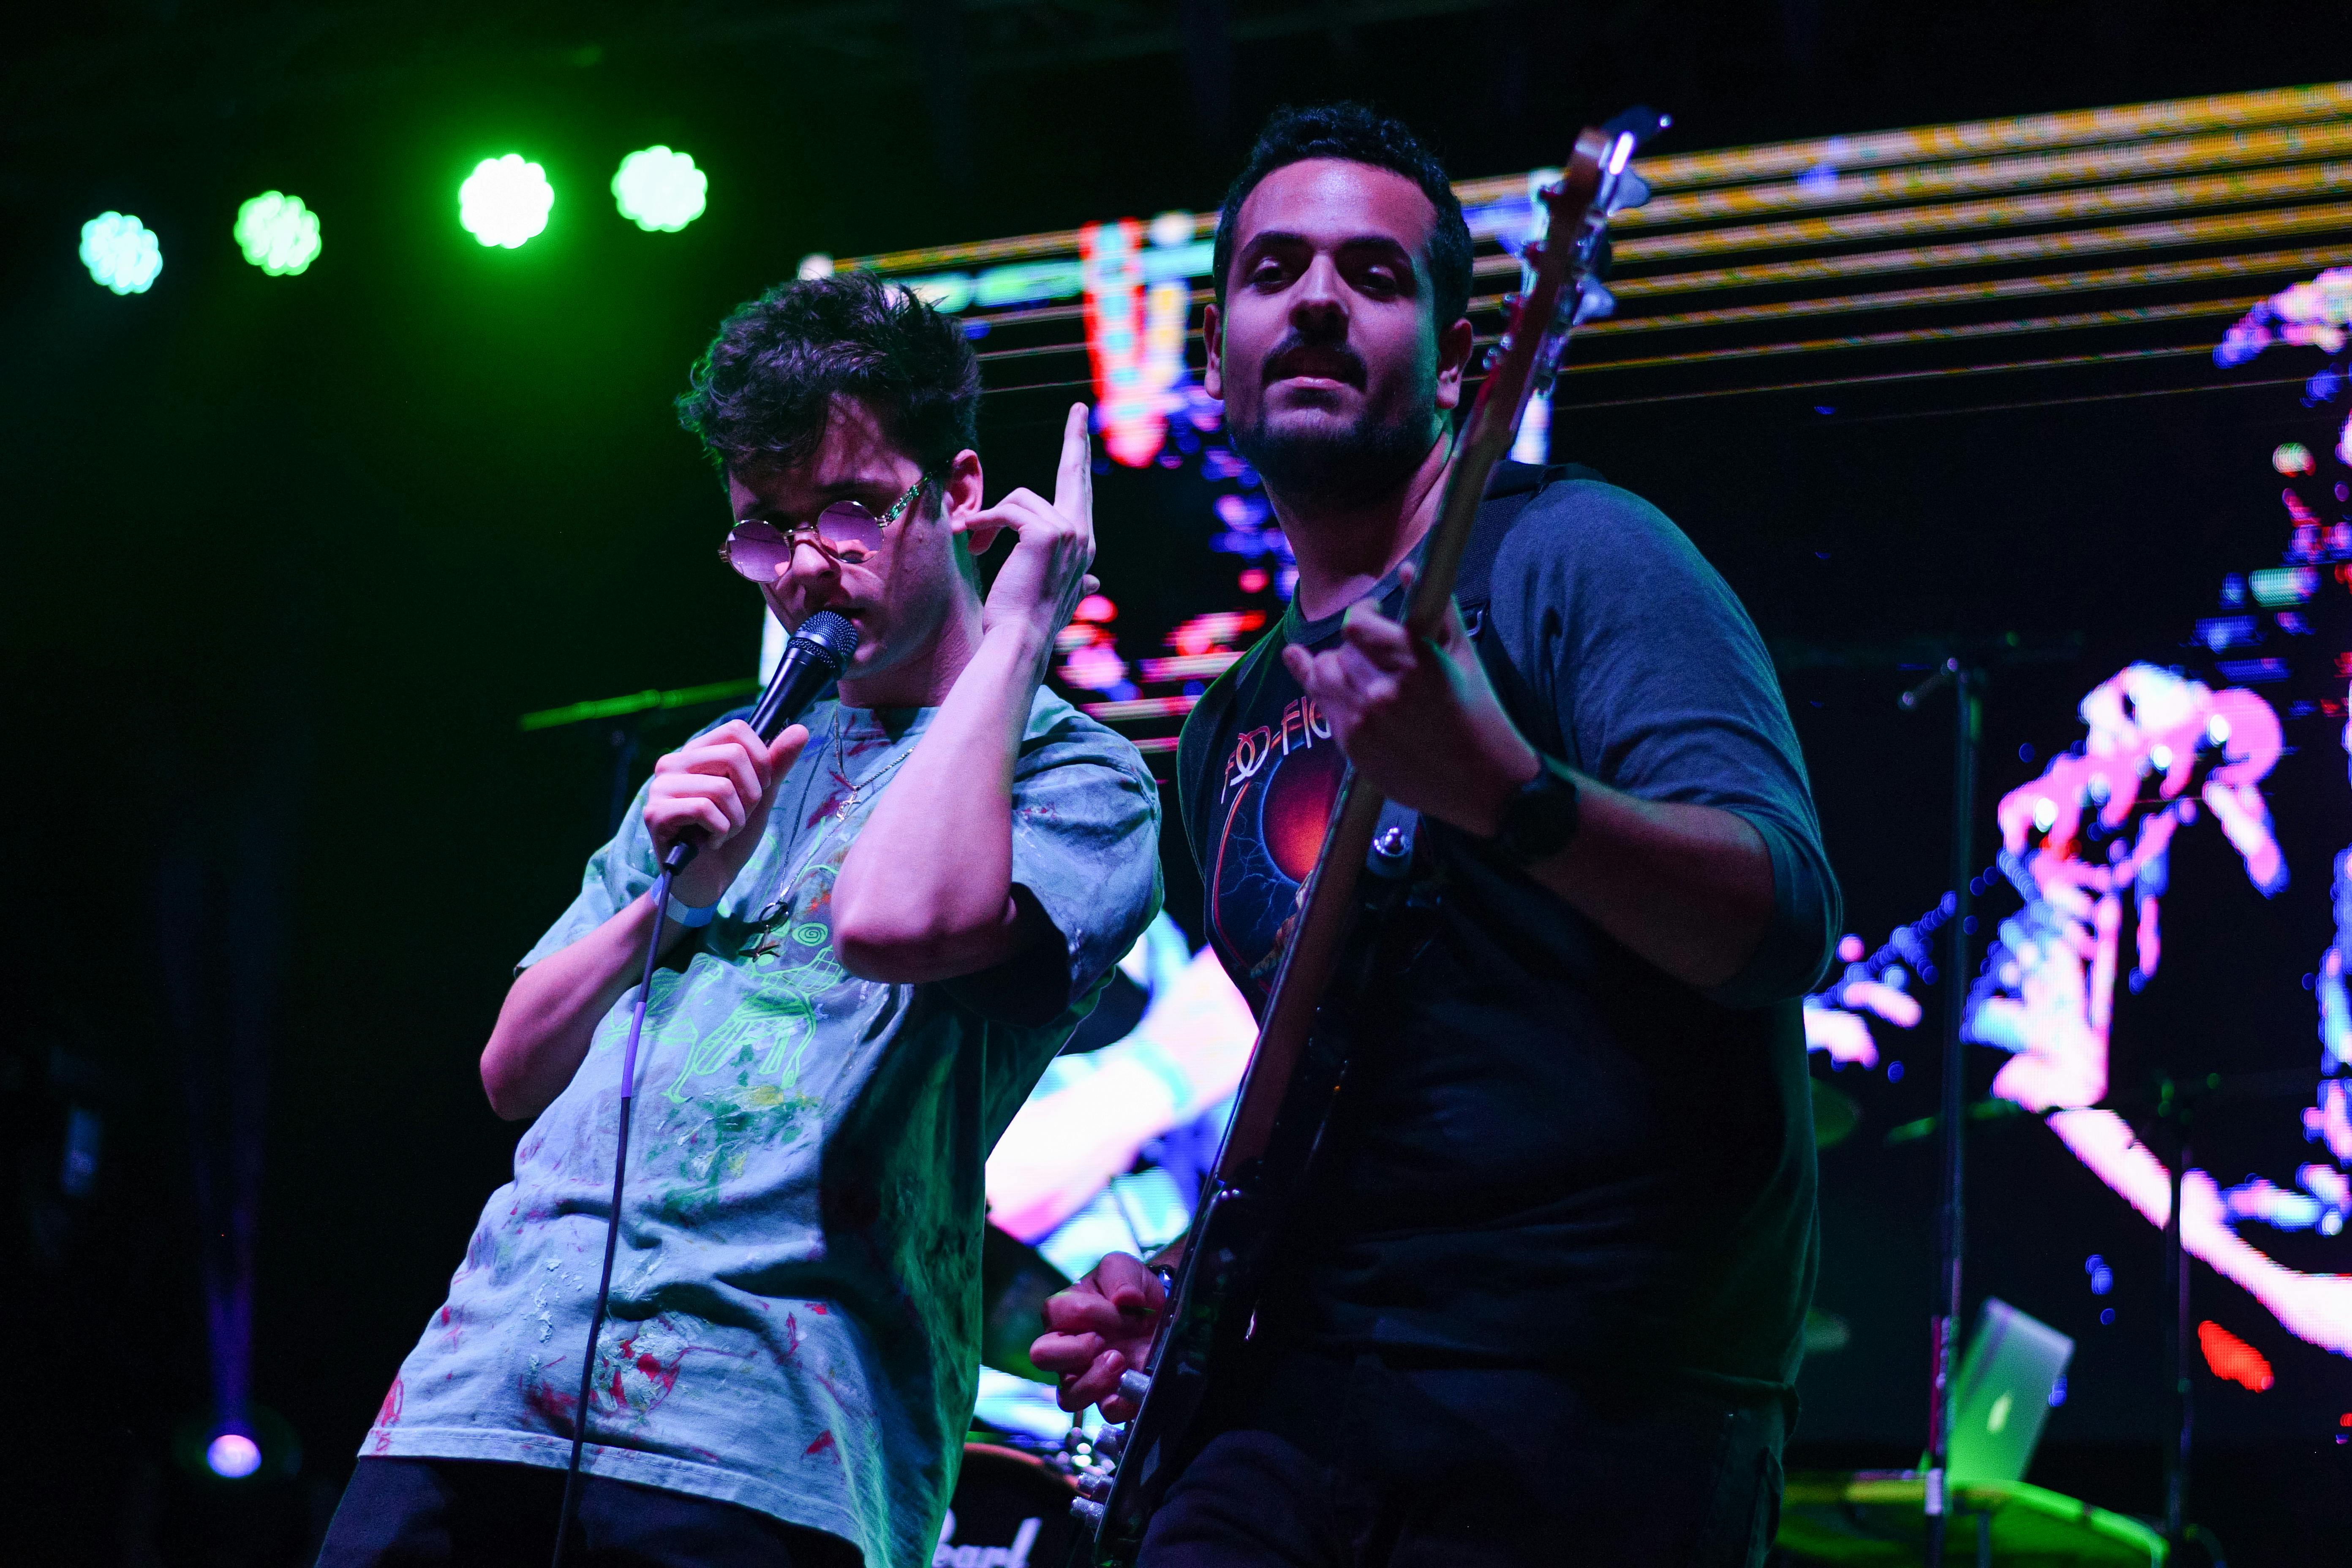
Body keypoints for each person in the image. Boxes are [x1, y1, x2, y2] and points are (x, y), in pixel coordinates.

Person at [1032, 103, 1840, 1567]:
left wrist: (1509, 795)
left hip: (1592, 1410)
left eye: (1374, 275)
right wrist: (1184, 1275)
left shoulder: (1578, 556)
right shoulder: (1223, 726)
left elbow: (1778, 917)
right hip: (1295, 1403)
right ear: (1217, 350)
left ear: (1464, 364)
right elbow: (1338, 1098)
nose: (1319, 301)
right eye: (1275, 273)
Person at [319, 274, 1163, 1568]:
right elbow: (512, 1070)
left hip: (771, 1432)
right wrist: (671, 897)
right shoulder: (726, 762)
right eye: (765, 529)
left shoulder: (1070, 776)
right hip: (482, 1393)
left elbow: (899, 925)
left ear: (958, 493)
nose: (806, 566)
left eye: (850, 509)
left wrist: (1019, 634)